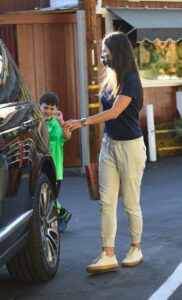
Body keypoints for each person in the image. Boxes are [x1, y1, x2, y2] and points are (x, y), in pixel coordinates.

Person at [63, 31, 147, 273]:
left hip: (130, 147)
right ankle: (107, 253)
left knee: (131, 203)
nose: (102, 55)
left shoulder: (130, 79)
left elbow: (114, 112)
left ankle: (135, 248)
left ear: (117, 52)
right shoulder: (112, 78)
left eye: (105, 51)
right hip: (109, 145)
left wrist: (82, 122)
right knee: (106, 203)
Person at [40, 92, 72, 232]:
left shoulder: (57, 123)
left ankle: (63, 215)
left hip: (55, 169)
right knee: (44, 196)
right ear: (40, 107)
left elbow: (67, 136)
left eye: (52, 109)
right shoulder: (37, 123)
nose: (48, 111)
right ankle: (59, 215)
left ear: (56, 110)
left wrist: (61, 121)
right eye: (45, 107)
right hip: (41, 166)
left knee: (51, 198)